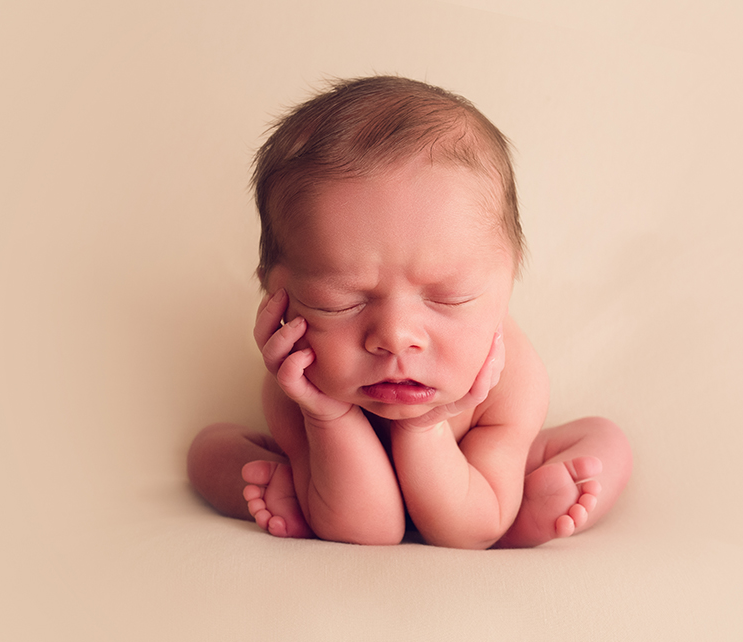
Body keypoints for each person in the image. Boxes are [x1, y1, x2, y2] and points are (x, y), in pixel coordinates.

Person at [187, 75, 632, 549]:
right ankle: (302, 490)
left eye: (448, 297)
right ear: (276, 296)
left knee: (604, 441)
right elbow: (368, 532)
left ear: (509, 279)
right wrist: (328, 416)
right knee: (210, 448)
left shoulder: (509, 381)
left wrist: (426, 429)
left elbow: (466, 533)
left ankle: (516, 516)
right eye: (342, 302)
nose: (396, 337)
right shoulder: (300, 383)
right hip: (344, 489)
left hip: (471, 487)